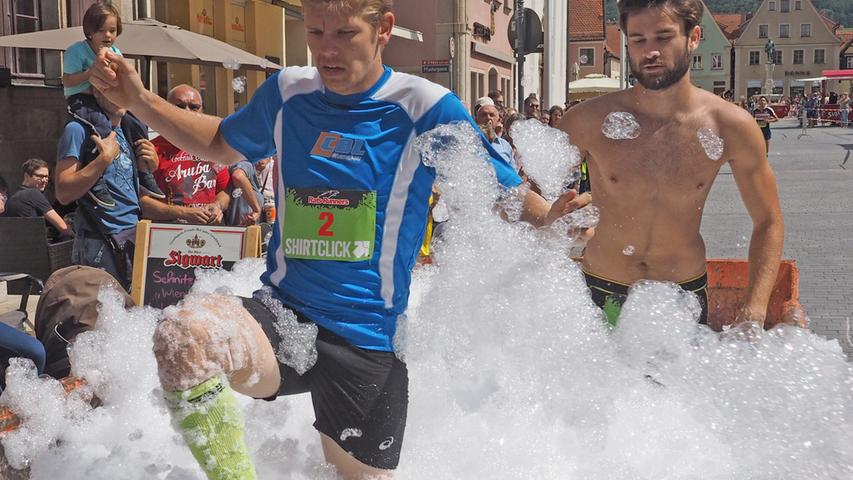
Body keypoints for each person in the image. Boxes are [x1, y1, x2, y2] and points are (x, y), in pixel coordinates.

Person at [88, 1, 585, 478]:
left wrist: (549, 219)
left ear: (384, 29)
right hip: (284, 316)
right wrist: (138, 100)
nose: (327, 50)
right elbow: (219, 143)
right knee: (183, 338)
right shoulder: (287, 93)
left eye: (345, 33)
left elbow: (498, 191)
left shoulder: (424, 107)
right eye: (316, 32)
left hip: (365, 337)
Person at [559, 0, 783, 331]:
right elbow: (539, 197)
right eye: (638, 39)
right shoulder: (586, 121)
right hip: (602, 289)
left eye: (663, 37)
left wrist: (754, 310)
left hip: (681, 296)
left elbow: (769, 220)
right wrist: (555, 219)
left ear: (693, 37)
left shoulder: (730, 125)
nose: (650, 52)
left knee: (676, 385)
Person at [61, 1, 163, 208]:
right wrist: (93, 71)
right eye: (101, 30)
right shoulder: (76, 51)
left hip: (108, 97)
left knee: (137, 122)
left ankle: (144, 174)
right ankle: (96, 181)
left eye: (112, 30)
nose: (108, 35)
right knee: (99, 128)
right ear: (89, 31)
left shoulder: (115, 51)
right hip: (81, 98)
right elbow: (68, 80)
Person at [55, 87, 157, 289]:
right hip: (99, 242)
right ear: (96, 90)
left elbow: (129, 190)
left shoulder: (126, 129)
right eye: (111, 88)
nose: (121, 94)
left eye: (124, 87)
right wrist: (103, 160)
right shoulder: (78, 129)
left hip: (132, 235)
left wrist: (151, 165)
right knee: (99, 316)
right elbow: (63, 192)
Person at [144, 85, 230, 225]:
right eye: (180, 106)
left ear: (201, 110)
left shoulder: (212, 146)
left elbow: (225, 190)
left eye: (194, 107)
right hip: (168, 236)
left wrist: (218, 205)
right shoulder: (152, 149)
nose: (187, 112)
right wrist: (183, 213)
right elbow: (143, 203)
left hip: (209, 235)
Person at [2, 159, 73, 240]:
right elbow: (63, 227)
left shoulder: (16, 195)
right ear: (26, 176)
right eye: (40, 176)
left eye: (46, 177)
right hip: (36, 246)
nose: (44, 180)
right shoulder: (32, 194)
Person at [476, 103, 517, 172]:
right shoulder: (470, 142)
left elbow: (512, 173)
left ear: (498, 120)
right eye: (484, 115)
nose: (488, 117)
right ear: (476, 120)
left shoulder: (505, 145)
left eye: (492, 115)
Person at [225, 160, 263, 227]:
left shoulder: (253, 172)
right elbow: (238, 176)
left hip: (239, 231)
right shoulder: (246, 164)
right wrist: (256, 209)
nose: (263, 160)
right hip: (236, 232)